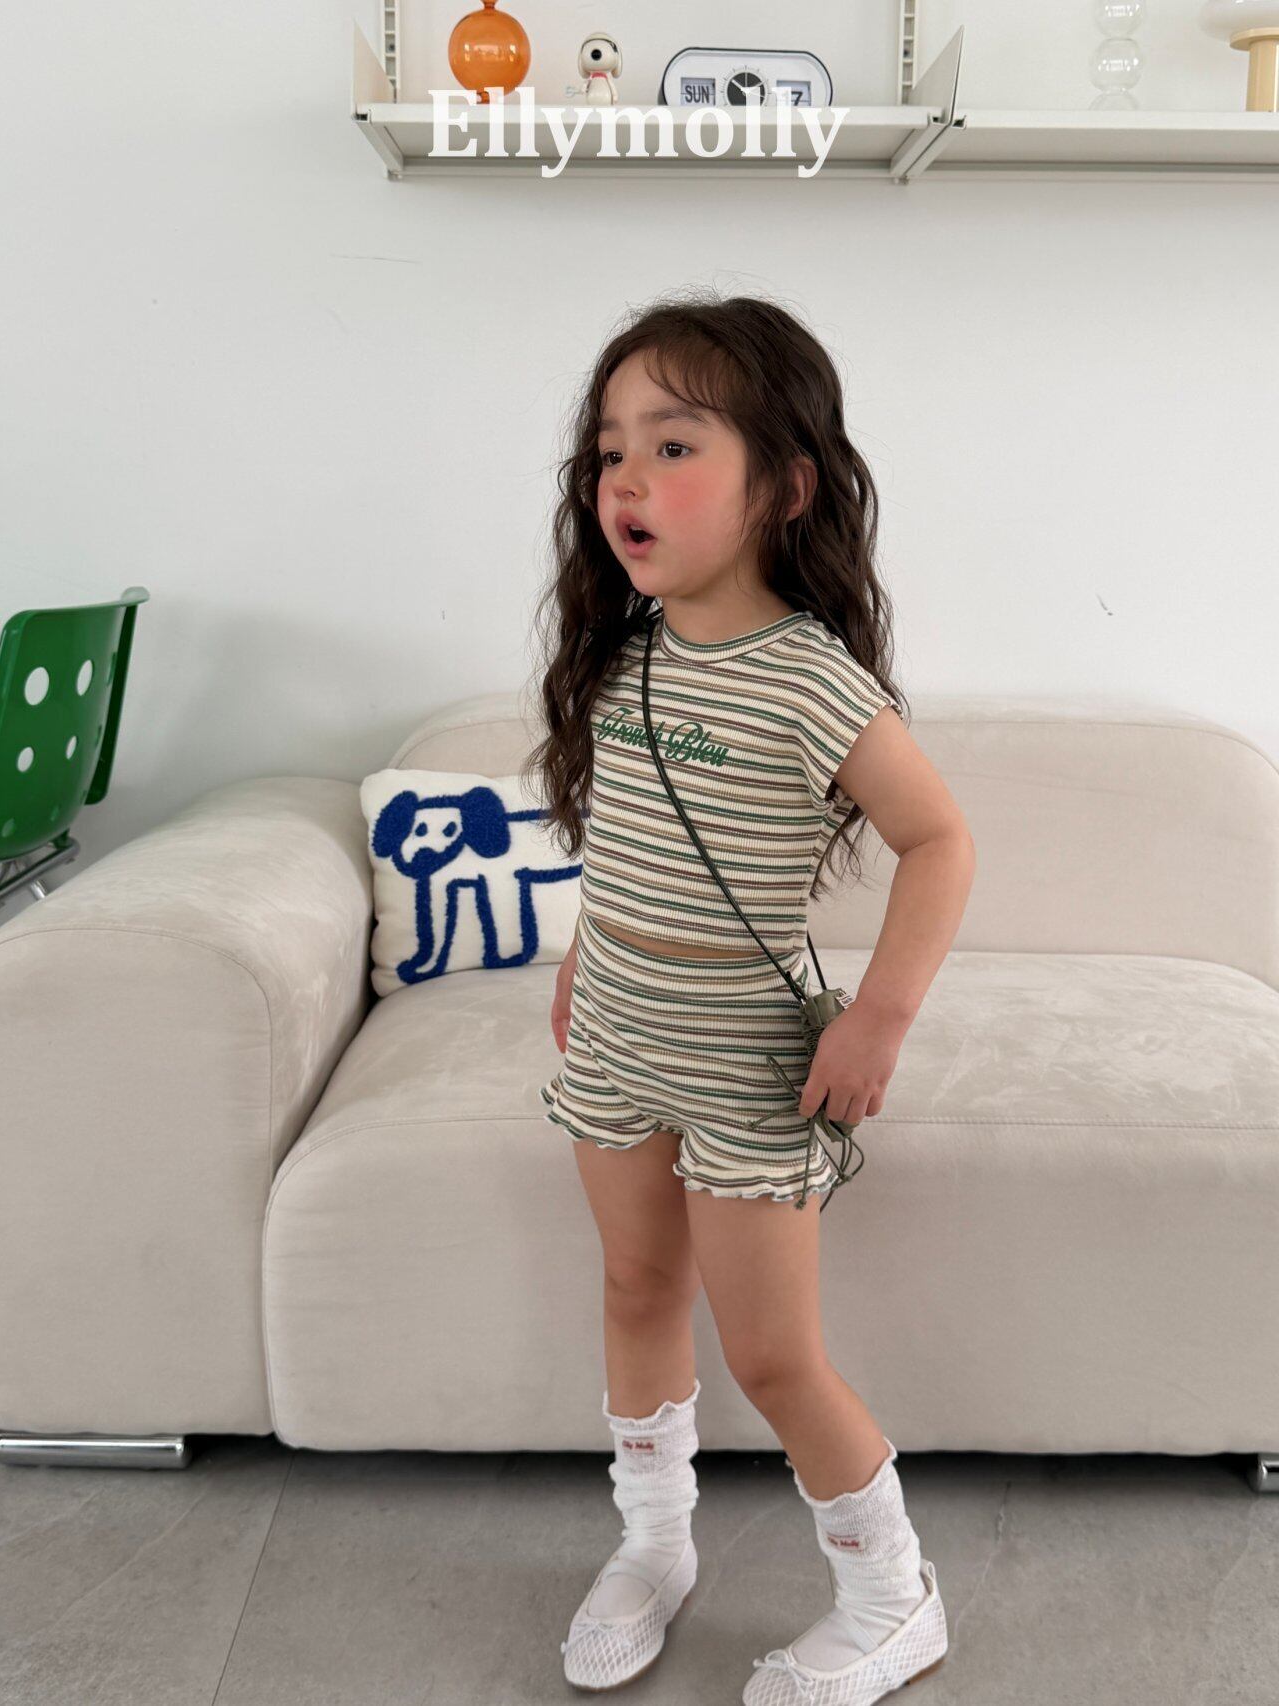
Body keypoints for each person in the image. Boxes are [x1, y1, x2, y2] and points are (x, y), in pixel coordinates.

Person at [523, 291, 976, 1704]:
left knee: (773, 1353)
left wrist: (879, 1016)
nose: (627, 481)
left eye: (673, 446)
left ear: (783, 487)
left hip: (746, 1067)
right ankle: (654, 1546)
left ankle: (894, 1596)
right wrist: (590, 952)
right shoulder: (628, 657)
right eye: (611, 451)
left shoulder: (812, 681)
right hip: (617, 1041)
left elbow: (940, 842)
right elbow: (635, 842)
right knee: (635, 1286)